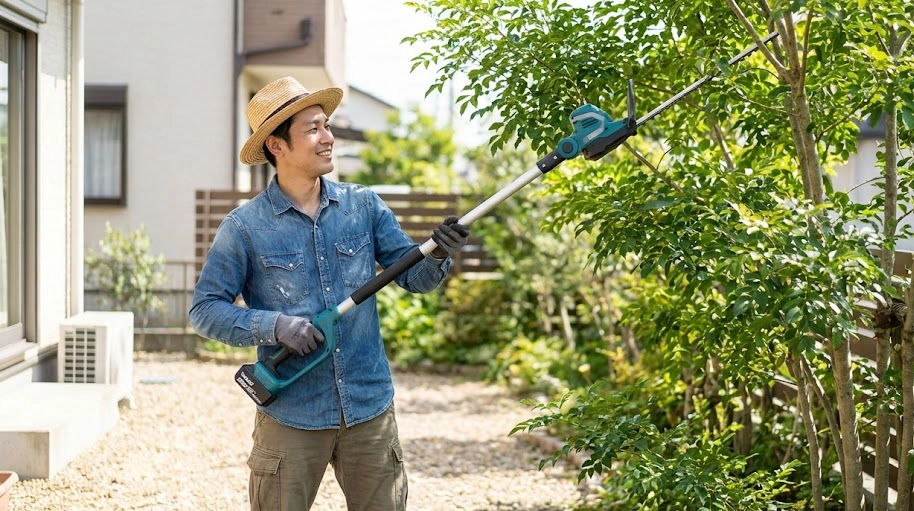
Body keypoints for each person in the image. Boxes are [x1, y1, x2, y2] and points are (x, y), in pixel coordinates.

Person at [189, 76, 470, 511]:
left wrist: (436, 254)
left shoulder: (363, 207)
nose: (328, 138)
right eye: (313, 129)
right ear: (277, 146)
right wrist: (274, 326)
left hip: (368, 407)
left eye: (327, 125)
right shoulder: (244, 228)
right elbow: (205, 311)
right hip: (291, 413)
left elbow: (414, 278)